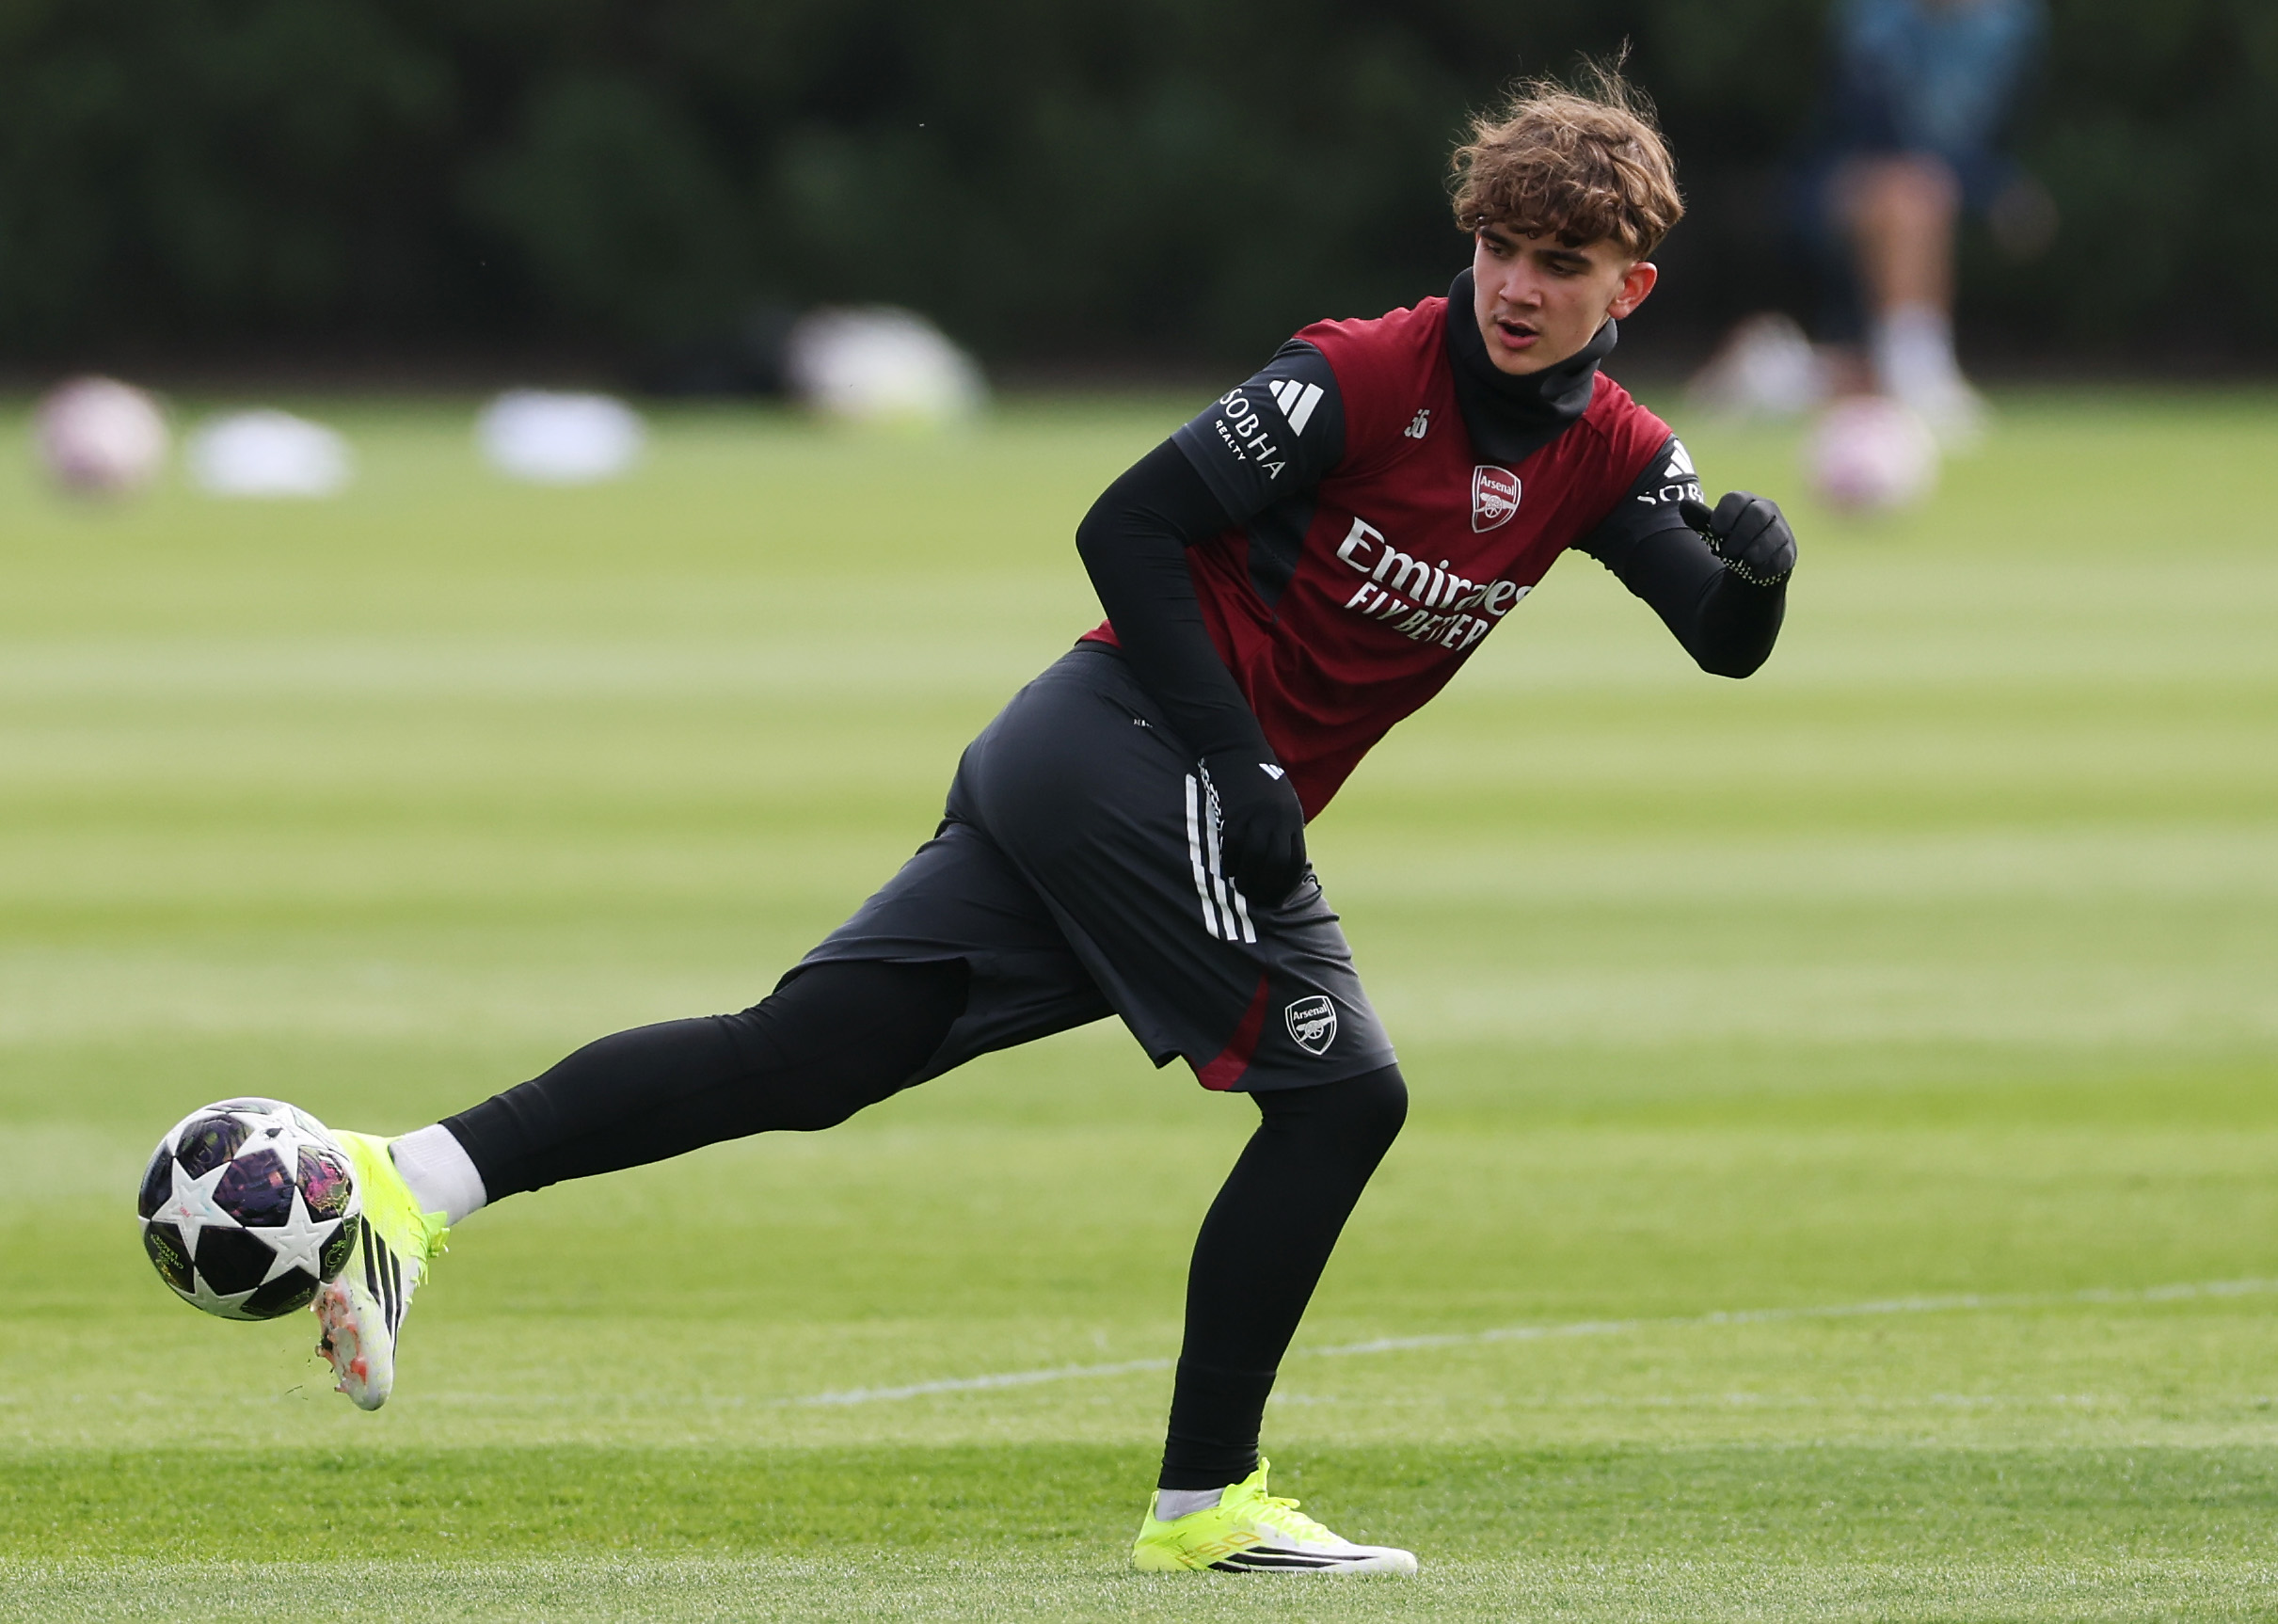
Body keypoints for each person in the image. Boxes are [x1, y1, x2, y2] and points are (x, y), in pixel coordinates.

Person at [287, 67, 1795, 1575]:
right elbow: (1123, 524)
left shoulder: (1610, 448)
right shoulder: (1357, 374)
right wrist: (1242, 766)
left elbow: (1718, 635)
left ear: (1630, 287)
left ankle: (410, 1180)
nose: (1517, 289)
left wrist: (1761, 574)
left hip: (1112, 778)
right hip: (1131, 753)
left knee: (813, 1057)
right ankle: (1209, 1503)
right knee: (1344, 1098)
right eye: (1499, 249)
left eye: (1560, 265)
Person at [1693, 0, 2048, 440]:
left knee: (1920, 196)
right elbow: (1877, 136)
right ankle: (1923, 380)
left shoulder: (2012, 24)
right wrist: (1990, 186)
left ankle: (1775, 375)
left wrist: (1996, 187)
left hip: (1952, 188)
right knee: (1911, 193)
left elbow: (1992, 133)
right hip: (1837, 185)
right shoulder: (1874, 19)